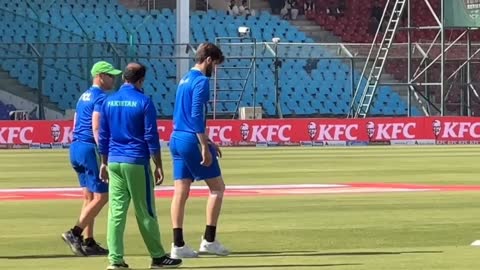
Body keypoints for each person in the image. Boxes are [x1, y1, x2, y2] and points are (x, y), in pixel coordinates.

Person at [98, 62, 182, 269]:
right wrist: (159, 165)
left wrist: (103, 162)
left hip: (115, 162)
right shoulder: (143, 101)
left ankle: (115, 260)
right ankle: (157, 256)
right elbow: (150, 136)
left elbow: (103, 135)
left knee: (116, 213)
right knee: (145, 211)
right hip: (135, 161)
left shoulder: (108, 101)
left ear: (123, 77)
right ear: (141, 80)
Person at [169, 43, 230, 259]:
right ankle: (209, 240)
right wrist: (203, 145)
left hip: (176, 137)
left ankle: (178, 245)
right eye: (216, 64)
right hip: (190, 140)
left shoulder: (185, 79)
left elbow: (183, 114)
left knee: (181, 191)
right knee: (217, 188)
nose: (216, 70)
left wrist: (207, 140)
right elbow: (195, 115)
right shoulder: (202, 82)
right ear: (209, 60)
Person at [62, 61, 122, 256]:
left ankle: (89, 241)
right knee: (102, 196)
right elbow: (96, 126)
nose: (114, 79)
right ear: (100, 76)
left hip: (77, 146)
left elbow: (76, 120)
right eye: (110, 75)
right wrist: (104, 153)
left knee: (89, 197)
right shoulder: (101, 97)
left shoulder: (83, 96)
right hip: (90, 148)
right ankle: (75, 232)